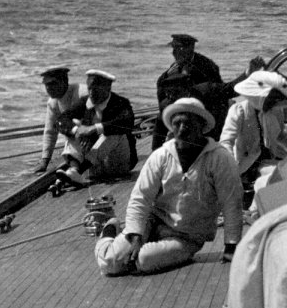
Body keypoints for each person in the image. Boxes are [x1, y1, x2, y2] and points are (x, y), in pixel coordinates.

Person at [95, 97, 242, 277]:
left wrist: (231, 245)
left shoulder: (220, 159)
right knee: (110, 263)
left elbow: (232, 202)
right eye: (177, 124)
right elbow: (141, 197)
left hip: (187, 236)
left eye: (188, 123)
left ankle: (138, 246)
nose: (182, 129)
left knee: (143, 260)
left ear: (202, 126)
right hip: (153, 221)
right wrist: (135, 234)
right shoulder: (161, 156)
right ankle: (109, 230)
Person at [219, 70, 287, 209]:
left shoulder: (275, 111)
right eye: (270, 99)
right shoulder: (239, 111)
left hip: (271, 158)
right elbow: (226, 141)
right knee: (278, 175)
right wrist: (229, 168)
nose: (273, 103)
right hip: (248, 165)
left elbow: (281, 136)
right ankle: (255, 210)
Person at [55, 69, 137, 185]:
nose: (92, 93)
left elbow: (128, 122)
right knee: (73, 126)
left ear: (108, 88)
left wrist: (94, 129)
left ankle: (78, 171)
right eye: (89, 88)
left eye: (96, 89)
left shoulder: (121, 103)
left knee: (114, 133)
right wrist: (77, 131)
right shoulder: (84, 102)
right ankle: (74, 170)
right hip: (94, 167)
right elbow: (61, 120)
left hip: (118, 165)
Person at [153, 34, 226, 149]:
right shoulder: (175, 67)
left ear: (190, 48)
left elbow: (219, 95)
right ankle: (156, 150)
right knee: (162, 114)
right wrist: (167, 76)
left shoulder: (207, 67)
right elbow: (162, 88)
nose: (173, 52)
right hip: (180, 108)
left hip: (204, 111)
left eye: (178, 48)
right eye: (173, 48)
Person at [34, 66, 86, 173]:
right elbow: (50, 132)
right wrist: (45, 161)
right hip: (79, 142)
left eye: (53, 84)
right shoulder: (53, 103)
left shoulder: (82, 93)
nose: (48, 88)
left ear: (64, 81)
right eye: (46, 84)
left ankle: (75, 168)